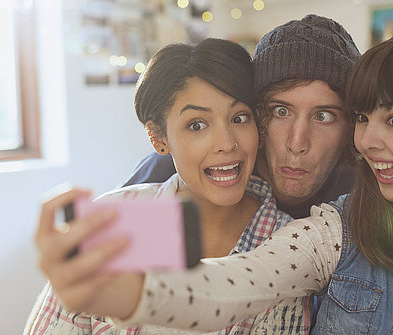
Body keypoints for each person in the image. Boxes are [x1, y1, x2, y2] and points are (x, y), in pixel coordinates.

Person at [36, 31, 393, 334]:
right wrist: (127, 290)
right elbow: (229, 285)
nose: (369, 141)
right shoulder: (332, 231)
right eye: (277, 112)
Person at [24, 38, 312, 334]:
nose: (227, 143)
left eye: (239, 118)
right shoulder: (112, 219)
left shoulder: (289, 248)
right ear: (158, 138)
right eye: (197, 125)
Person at [121, 14, 361, 219]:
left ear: (350, 127)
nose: (297, 143)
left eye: (324, 116)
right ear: (256, 112)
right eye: (281, 111)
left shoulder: (363, 192)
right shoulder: (171, 173)